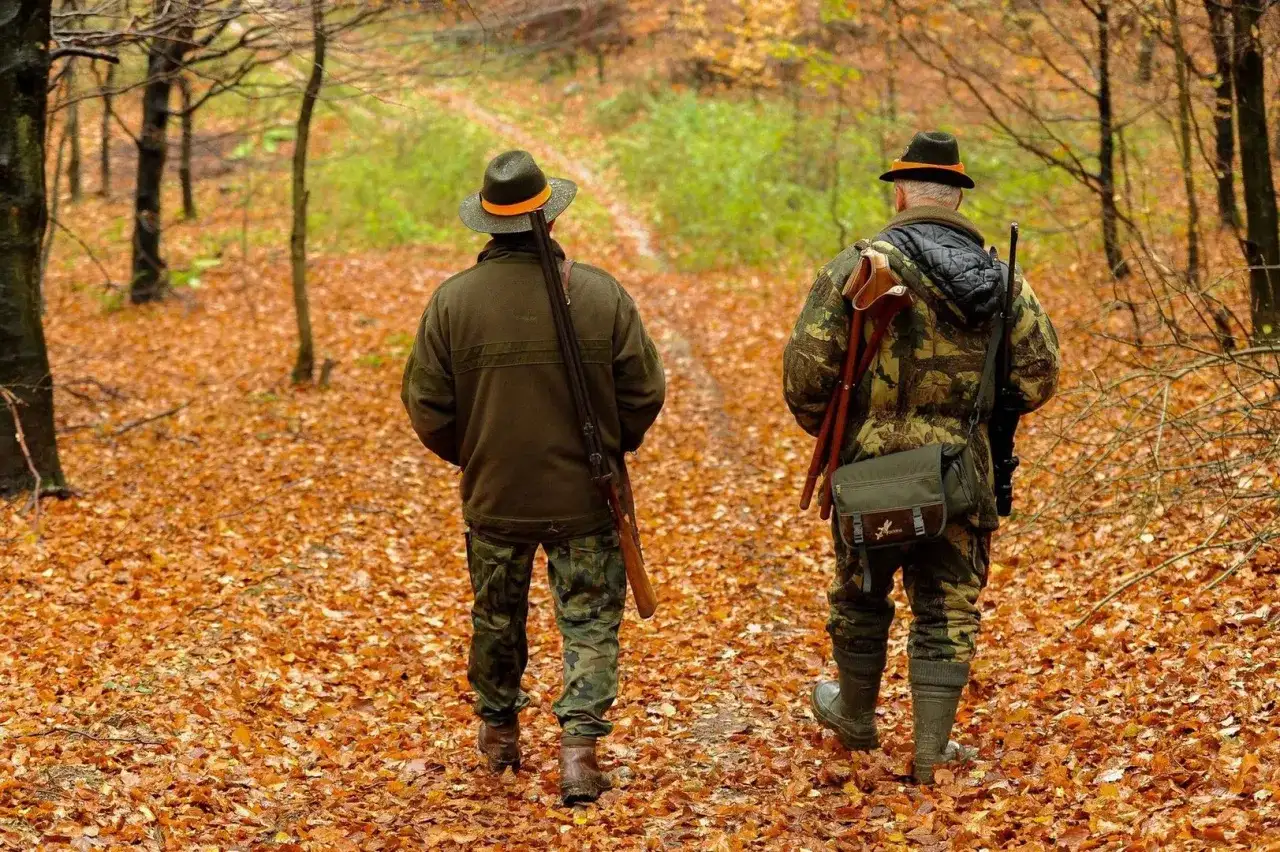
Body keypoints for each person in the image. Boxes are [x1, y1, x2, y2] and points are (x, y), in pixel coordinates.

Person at [782, 131, 1061, 783]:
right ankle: (932, 752)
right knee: (947, 607)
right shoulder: (1002, 280)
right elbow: (1041, 375)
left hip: (866, 474)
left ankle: (855, 721)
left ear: (901, 192)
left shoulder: (855, 268)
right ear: (957, 199)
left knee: (862, 594)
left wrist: (847, 430)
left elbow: (804, 376)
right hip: (962, 475)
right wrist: (987, 407)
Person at [401, 150, 666, 804]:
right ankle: (580, 754)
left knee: (496, 617)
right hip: (586, 495)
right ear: (549, 215)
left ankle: (499, 739)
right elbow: (645, 392)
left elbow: (426, 408)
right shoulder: (599, 292)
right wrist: (609, 445)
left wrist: (480, 453)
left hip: (496, 496)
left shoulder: (452, 303)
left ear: (488, 224)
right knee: (590, 621)